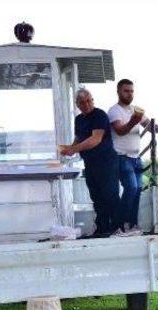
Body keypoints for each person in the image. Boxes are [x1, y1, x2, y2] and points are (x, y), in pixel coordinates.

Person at [61, 88, 120, 235]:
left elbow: (95, 139)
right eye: (82, 102)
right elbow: (79, 138)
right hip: (90, 163)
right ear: (77, 105)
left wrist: (73, 149)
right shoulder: (79, 119)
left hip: (106, 162)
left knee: (109, 195)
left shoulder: (99, 115)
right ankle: (102, 228)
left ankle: (117, 227)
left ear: (92, 100)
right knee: (96, 196)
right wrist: (69, 148)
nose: (86, 104)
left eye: (89, 100)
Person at [108, 79, 158, 235]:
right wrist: (133, 121)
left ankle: (132, 224)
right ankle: (118, 224)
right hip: (121, 156)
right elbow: (120, 130)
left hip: (136, 157)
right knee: (130, 188)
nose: (129, 94)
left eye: (131, 91)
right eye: (126, 91)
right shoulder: (114, 110)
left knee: (137, 190)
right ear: (118, 92)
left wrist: (154, 127)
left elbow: (146, 124)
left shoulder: (135, 110)